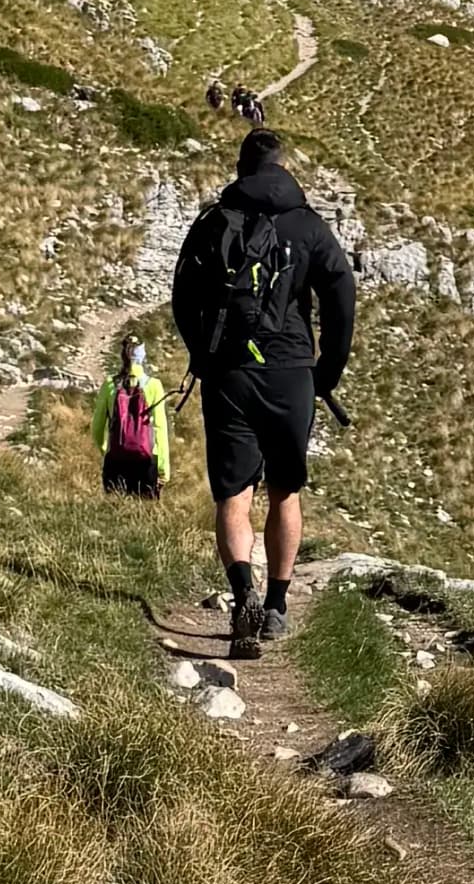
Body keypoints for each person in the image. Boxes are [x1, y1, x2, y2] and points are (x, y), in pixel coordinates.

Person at [168, 121, 356, 656]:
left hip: (229, 372)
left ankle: (242, 593)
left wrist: (203, 355)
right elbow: (342, 298)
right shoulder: (309, 226)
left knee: (233, 494)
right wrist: (327, 372)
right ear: (283, 167)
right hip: (292, 373)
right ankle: (275, 606)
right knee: (286, 490)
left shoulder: (213, 222)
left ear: (240, 169)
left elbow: (182, 296)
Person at [101, 333, 169, 499]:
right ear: (143, 354)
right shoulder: (154, 385)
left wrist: (107, 450)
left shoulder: (110, 384)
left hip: (115, 460)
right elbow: (160, 430)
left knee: (113, 515)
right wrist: (163, 471)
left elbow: (97, 427)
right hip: (146, 462)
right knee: (144, 517)